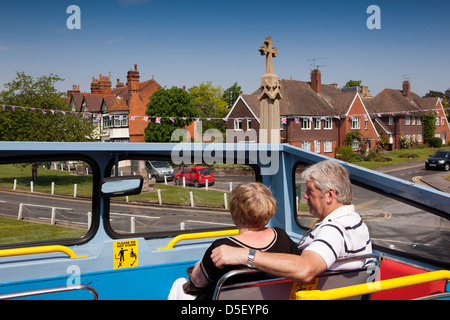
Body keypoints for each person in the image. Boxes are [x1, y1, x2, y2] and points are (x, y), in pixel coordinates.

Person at [211, 160, 372, 284]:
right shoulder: (354, 222)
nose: (305, 196)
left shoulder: (335, 230)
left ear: (330, 195)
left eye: (310, 191)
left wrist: (245, 255)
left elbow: (305, 269)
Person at [167, 182, 301, 300]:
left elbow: (196, 283)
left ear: (236, 215)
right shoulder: (282, 236)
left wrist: (200, 266)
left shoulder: (222, 248)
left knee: (179, 284)